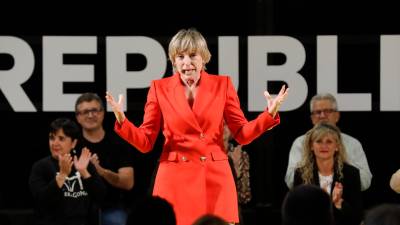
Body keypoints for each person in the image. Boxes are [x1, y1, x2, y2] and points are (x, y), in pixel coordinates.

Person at [105, 28, 289, 225]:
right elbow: (146, 142)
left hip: (214, 179)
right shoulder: (160, 88)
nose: (187, 62)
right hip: (174, 179)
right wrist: (122, 121)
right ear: (173, 61)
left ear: (204, 58)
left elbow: (242, 134)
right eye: (180, 56)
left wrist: (269, 115)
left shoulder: (223, 85)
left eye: (193, 55)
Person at [285, 93, 372, 191]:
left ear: (337, 116)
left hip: (345, 200)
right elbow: (291, 181)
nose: (322, 116)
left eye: (327, 111)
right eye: (318, 112)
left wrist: (340, 172)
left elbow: (365, 181)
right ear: (312, 118)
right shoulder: (300, 143)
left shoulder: (352, 143)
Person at [29, 117, 106, 225]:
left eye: (61, 138)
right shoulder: (40, 167)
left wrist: (84, 172)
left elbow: (101, 197)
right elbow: (42, 201)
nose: (54, 143)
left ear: (73, 143)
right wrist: (62, 175)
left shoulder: (84, 164)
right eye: (52, 138)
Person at [75, 92, 135, 225]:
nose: (90, 115)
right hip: (78, 208)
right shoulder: (73, 144)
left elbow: (128, 183)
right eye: (85, 112)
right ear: (77, 117)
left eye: (95, 110)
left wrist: (100, 171)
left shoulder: (118, 143)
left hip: (111, 207)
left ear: (102, 113)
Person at [293, 122, 363, 225]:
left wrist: (339, 203)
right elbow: (295, 213)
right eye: (319, 141)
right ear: (311, 146)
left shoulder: (351, 174)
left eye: (329, 142)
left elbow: (357, 217)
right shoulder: (300, 173)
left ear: (337, 146)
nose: (324, 146)